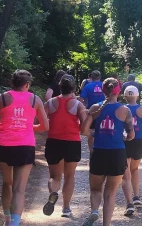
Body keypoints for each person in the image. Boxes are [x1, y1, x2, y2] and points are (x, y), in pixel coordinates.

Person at [0, 70, 49, 226]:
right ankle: (14, 224)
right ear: (27, 84)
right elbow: (45, 126)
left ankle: (6, 220)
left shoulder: (2, 97)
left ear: (12, 83)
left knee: (7, 183)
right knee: (19, 189)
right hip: (24, 146)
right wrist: (27, 127)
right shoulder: (35, 99)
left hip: (3, 145)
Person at [80, 78, 135, 226]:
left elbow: (84, 131)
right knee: (110, 193)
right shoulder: (125, 110)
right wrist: (122, 136)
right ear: (119, 92)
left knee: (96, 189)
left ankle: (94, 211)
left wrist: (94, 134)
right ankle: (106, 224)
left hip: (99, 152)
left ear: (103, 90)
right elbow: (131, 136)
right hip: (117, 154)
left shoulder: (94, 108)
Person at [42, 75, 87, 218]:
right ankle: (66, 208)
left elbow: (42, 122)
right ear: (73, 88)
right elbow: (85, 127)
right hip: (72, 142)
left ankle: (54, 192)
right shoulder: (78, 105)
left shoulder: (49, 103)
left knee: (55, 176)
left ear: (59, 87)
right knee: (69, 176)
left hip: (54, 141)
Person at [121, 86, 142, 216]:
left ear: (125, 96)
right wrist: (141, 131)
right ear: (138, 96)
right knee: (134, 169)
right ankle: (136, 196)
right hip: (139, 141)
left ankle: (129, 203)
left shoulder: (122, 109)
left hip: (126, 141)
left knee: (126, 172)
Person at [79, 70, 106, 153]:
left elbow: (81, 99)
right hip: (103, 111)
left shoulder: (88, 86)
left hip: (92, 112)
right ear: (100, 77)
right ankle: (102, 149)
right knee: (104, 131)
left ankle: (92, 151)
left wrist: (84, 109)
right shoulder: (104, 85)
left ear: (91, 77)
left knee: (90, 133)